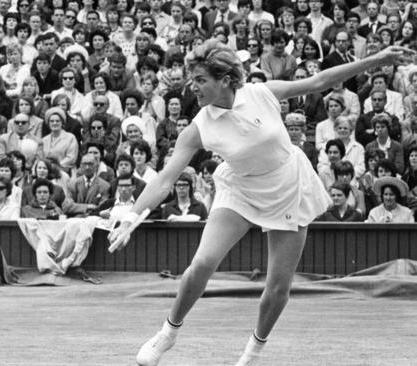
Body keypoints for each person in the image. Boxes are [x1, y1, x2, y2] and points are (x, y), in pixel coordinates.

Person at [108, 39, 409, 366]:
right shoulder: (198, 128)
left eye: (200, 81)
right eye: (192, 80)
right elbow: (165, 179)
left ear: (224, 80)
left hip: (288, 186)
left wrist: (377, 59)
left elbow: (319, 81)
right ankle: (167, 333)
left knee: (278, 287)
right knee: (202, 264)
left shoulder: (260, 93)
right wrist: (132, 216)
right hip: (240, 189)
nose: (192, 88)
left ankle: (250, 356)